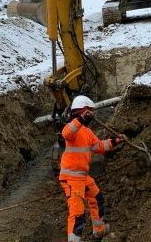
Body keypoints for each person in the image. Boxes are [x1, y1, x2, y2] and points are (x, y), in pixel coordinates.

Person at [59, 95, 125, 242]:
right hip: (71, 177)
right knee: (78, 214)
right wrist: (81, 119)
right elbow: (66, 133)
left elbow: (99, 147)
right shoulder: (73, 128)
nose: (93, 114)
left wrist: (115, 141)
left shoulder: (87, 132)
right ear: (84, 110)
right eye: (90, 111)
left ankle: (99, 231)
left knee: (97, 198)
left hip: (82, 177)